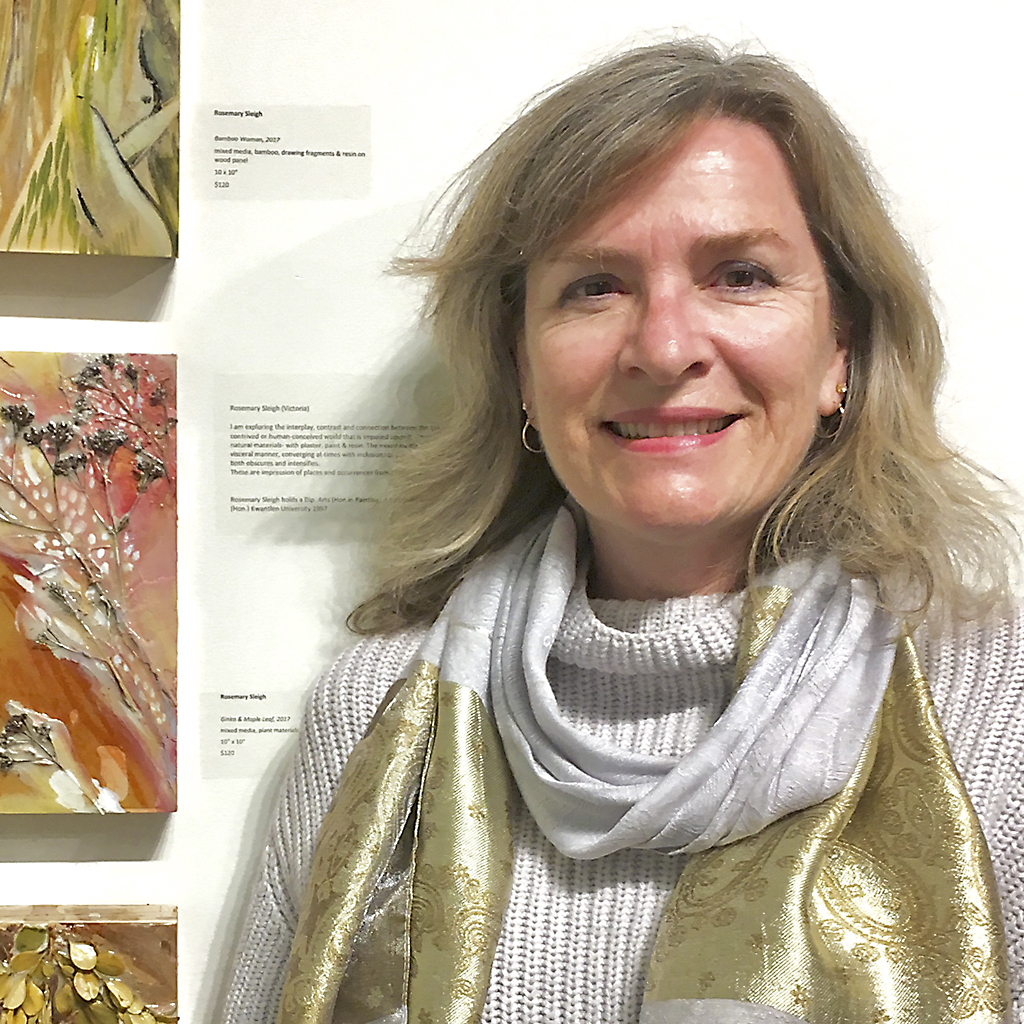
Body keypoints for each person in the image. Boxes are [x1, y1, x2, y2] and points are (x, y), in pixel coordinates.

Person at [224, 39, 1024, 1024]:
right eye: (594, 286)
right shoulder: (374, 711)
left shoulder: (996, 703)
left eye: (740, 274)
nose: (664, 346)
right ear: (521, 367)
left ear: (839, 352)